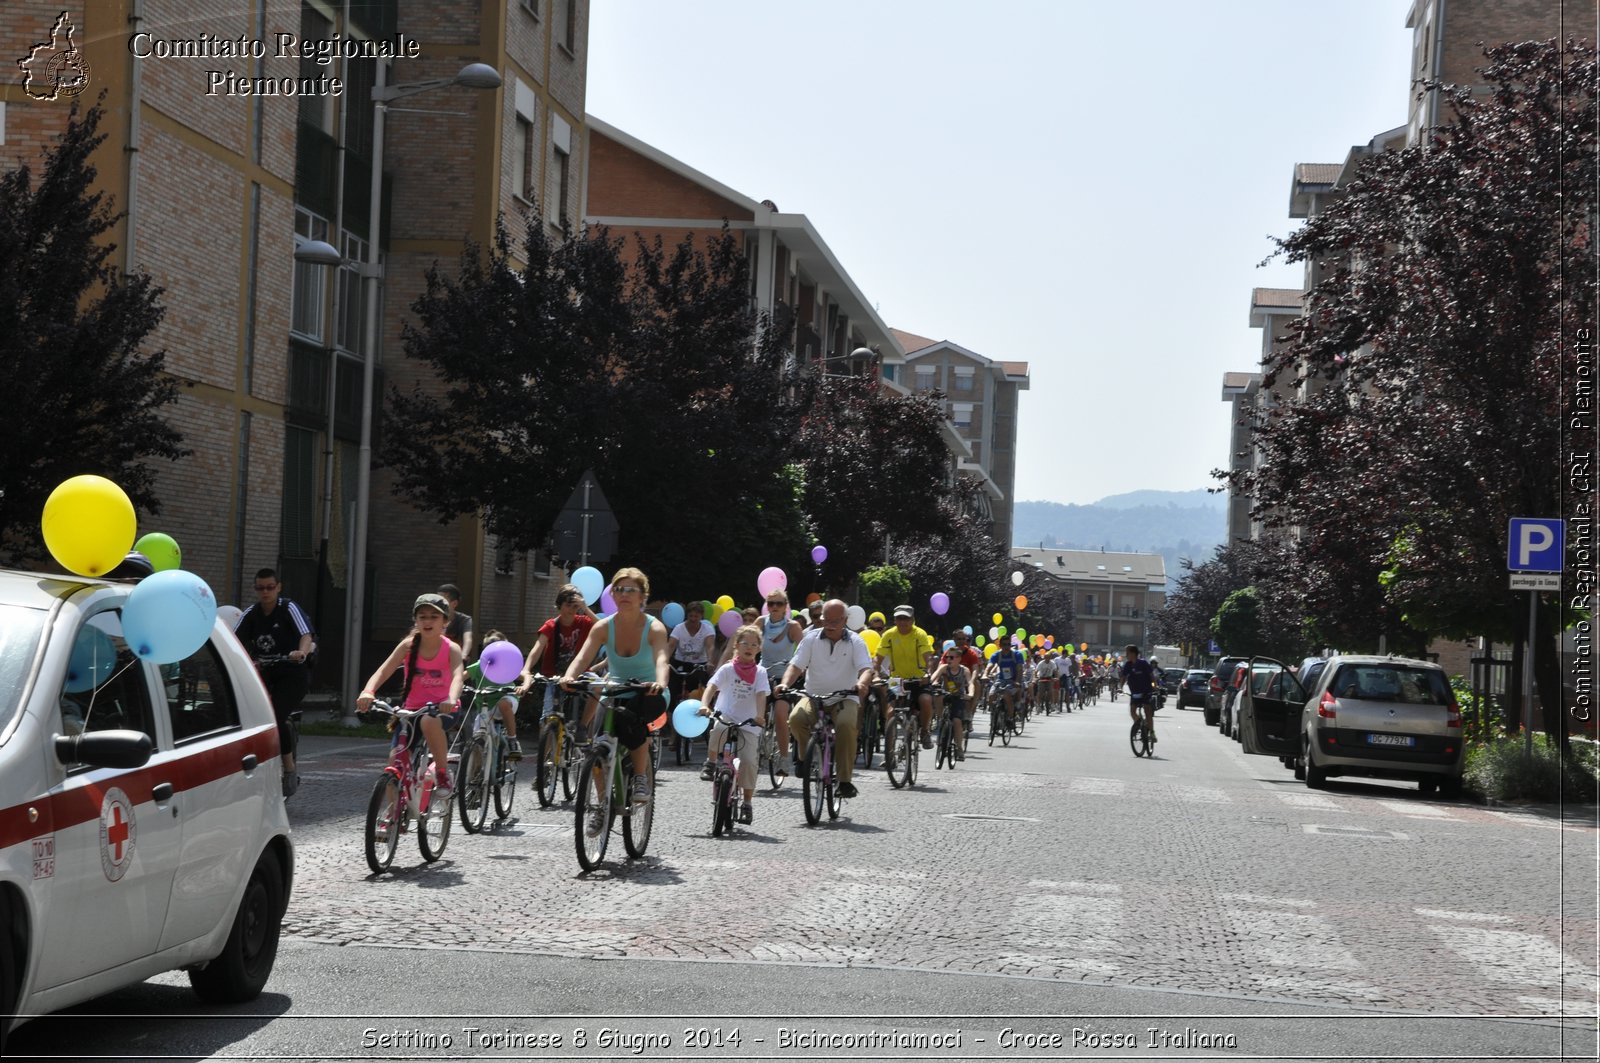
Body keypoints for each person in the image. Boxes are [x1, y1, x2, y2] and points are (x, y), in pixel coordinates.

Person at [561, 567, 670, 834]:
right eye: (619, 589)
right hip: (615, 689)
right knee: (598, 748)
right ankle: (602, 805)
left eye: (631, 590)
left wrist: (660, 681)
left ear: (642, 596)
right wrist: (569, 676)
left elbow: (661, 659)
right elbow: (584, 657)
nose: (624, 595)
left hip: (648, 691)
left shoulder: (654, 627)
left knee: (630, 720)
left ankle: (641, 778)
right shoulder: (603, 626)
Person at [357, 593, 466, 803]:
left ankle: (443, 774)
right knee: (394, 760)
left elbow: (457, 677)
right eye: (422, 616)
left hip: (443, 710)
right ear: (415, 620)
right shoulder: (407, 646)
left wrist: (451, 698)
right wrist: (367, 691)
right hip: (410, 711)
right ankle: (391, 815)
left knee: (428, 721)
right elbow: (383, 671)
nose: (427, 621)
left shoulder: (451, 648)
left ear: (445, 622)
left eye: (434, 617)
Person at [779, 599, 874, 799]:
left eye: (835, 621)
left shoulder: (856, 641)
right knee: (796, 719)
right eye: (826, 620)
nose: (830, 625)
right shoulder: (810, 638)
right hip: (813, 696)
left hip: (844, 697)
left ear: (845, 620)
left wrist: (862, 684)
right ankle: (806, 758)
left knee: (847, 726)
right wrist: (785, 684)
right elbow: (796, 666)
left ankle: (845, 780)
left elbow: (866, 668)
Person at [234, 567, 315, 796]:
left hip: (292, 674)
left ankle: (289, 769)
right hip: (265, 673)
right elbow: (234, 641)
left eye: (270, 587)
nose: (265, 592)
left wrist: (301, 653)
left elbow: (305, 635)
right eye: (260, 588)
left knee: (274, 716)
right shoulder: (251, 614)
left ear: (278, 587)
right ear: (255, 589)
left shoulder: (289, 608)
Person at [699, 624, 768, 824]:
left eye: (754, 644)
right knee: (718, 729)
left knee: (748, 762)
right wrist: (705, 704)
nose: (749, 647)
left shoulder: (760, 672)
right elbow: (712, 686)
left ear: (759, 649)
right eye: (745, 643)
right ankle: (711, 763)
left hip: (749, 722)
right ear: (736, 645)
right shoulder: (728, 669)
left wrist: (760, 716)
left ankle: (747, 803)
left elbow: (761, 694)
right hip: (727, 715)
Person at [517, 584, 597, 731]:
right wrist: (526, 669)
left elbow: (603, 627)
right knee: (548, 718)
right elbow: (537, 648)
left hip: (580, 673)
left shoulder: (584, 622)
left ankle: (583, 727)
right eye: (568, 605)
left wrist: (585, 608)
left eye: (575, 606)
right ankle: (547, 749)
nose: (572, 609)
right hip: (554, 676)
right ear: (559, 605)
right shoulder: (551, 626)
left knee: (598, 687)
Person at [874, 605, 936, 749]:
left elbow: (929, 658)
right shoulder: (889, 635)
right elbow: (878, 659)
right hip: (897, 680)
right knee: (890, 712)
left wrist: (928, 674)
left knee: (925, 700)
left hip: (919, 679)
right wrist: (876, 675)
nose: (902, 622)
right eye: (899, 618)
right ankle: (889, 753)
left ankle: (925, 732)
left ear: (912, 620)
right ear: (895, 620)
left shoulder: (920, 634)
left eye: (906, 618)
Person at [758, 589, 805, 775]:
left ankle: (784, 759)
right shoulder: (761, 623)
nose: (775, 607)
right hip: (763, 675)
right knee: (754, 714)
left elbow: (804, 650)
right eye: (771, 604)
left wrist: (802, 668)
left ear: (786, 606)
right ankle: (754, 749)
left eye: (779, 603)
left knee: (780, 714)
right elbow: (747, 639)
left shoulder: (793, 627)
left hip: (784, 678)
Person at [464, 629, 521, 759]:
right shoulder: (480, 665)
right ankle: (474, 772)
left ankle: (513, 740)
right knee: (477, 739)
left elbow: (525, 676)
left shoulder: (507, 664)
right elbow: (460, 678)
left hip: (507, 699)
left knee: (503, 703)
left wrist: (524, 686)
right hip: (486, 707)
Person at [667, 601, 717, 707]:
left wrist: (709, 661)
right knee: (671, 686)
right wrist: (665, 660)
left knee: (700, 688)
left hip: (699, 664)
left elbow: (710, 646)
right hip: (680, 662)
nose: (693, 619)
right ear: (687, 615)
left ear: (701, 616)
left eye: (696, 616)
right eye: (691, 616)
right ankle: (670, 710)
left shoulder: (707, 629)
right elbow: (671, 645)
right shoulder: (679, 628)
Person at [929, 645, 975, 759]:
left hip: (958, 697)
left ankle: (959, 748)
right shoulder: (944, 668)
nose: (948, 659)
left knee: (957, 721)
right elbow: (935, 675)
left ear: (959, 659)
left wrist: (970, 694)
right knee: (937, 695)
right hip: (946, 694)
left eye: (952, 658)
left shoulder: (964, 670)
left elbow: (970, 683)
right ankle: (940, 719)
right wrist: (930, 682)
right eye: (948, 657)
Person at [1122, 644, 1158, 741]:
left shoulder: (1143, 663)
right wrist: (1120, 687)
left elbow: (1152, 677)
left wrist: (1154, 686)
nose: (1126, 655)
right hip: (1135, 693)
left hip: (1146, 691)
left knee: (1147, 710)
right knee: (1132, 711)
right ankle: (1140, 724)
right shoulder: (1127, 665)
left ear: (1133, 653)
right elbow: (1123, 678)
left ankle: (1152, 732)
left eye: (1127, 653)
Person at [988, 640, 1022, 743]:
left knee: (1007, 695)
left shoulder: (1016, 654)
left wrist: (1017, 681)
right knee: (991, 695)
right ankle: (994, 715)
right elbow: (989, 665)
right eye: (1004, 644)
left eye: (1008, 644)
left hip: (1014, 680)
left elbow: (1020, 669)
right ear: (1000, 645)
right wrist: (986, 673)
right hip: (1001, 680)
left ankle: (1010, 718)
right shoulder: (996, 655)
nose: (1006, 646)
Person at [439, 583, 475, 662]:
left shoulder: (464, 620)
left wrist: (463, 655)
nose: (438, 604)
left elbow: (468, 639)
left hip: (456, 660)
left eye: (442, 601)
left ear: (454, 603)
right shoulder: (435, 618)